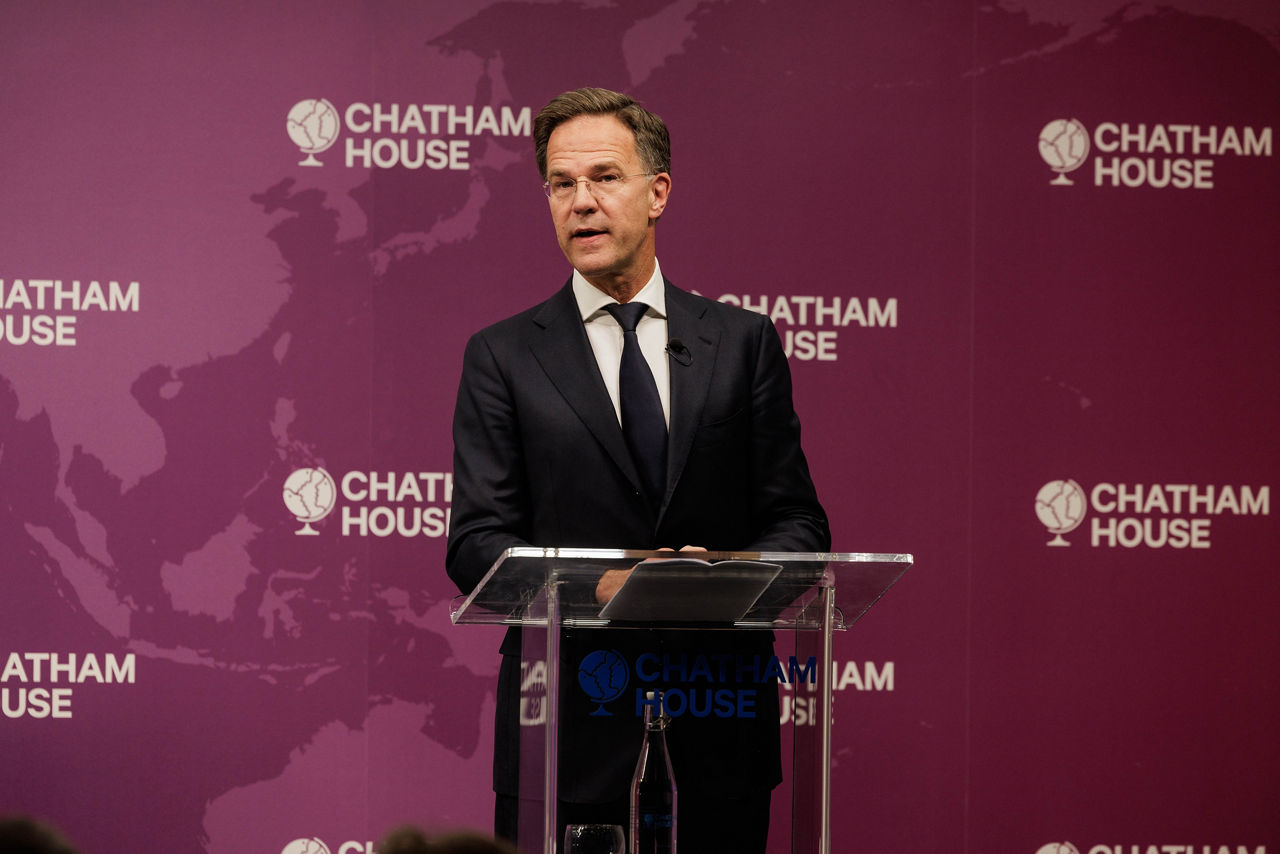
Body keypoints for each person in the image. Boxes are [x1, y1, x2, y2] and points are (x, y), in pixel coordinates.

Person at [446, 86, 829, 852]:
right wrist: (603, 585)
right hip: (569, 720)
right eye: (562, 184)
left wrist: (722, 576)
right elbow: (476, 543)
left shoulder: (743, 342)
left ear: (657, 193)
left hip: (720, 713)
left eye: (603, 177)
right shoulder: (503, 356)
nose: (581, 202)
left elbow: (800, 523)